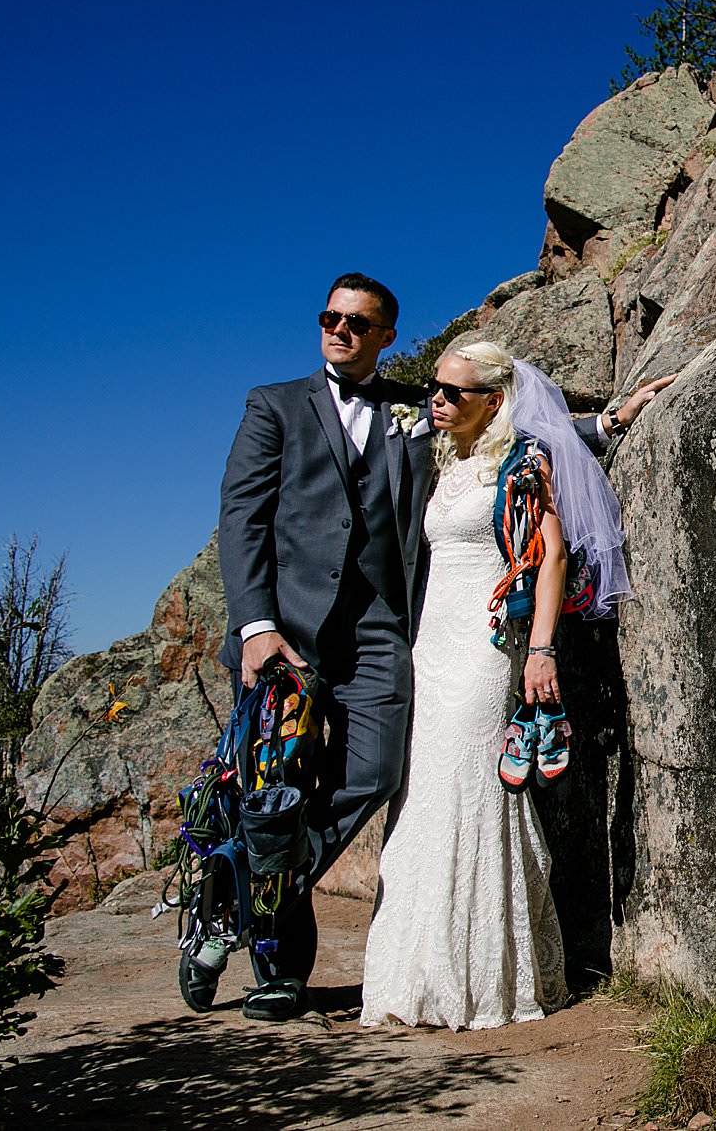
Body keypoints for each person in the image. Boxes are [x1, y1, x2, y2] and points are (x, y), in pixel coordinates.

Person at [359, 340, 632, 1029]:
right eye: (435, 389)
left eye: (454, 392)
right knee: (423, 795)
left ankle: (489, 980)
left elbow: (551, 558)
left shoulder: (525, 461)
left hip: (486, 649)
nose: (438, 400)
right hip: (430, 648)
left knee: (473, 788)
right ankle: (414, 974)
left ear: (493, 399)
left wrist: (540, 650)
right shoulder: (441, 460)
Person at [207, 272, 432, 1022]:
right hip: (286, 634)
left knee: (374, 770)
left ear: (385, 336)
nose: (339, 330)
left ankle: (240, 877)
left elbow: (496, 428)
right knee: (282, 794)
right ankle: (281, 973)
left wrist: (604, 422)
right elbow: (241, 517)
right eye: (330, 317)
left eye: (357, 323)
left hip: (377, 627)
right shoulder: (273, 405)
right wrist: (254, 624)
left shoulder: (410, 409)